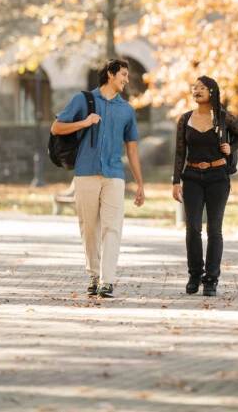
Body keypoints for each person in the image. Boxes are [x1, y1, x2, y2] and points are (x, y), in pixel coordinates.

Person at [51, 59, 145, 298]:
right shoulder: (83, 100)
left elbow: (132, 149)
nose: (126, 79)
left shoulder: (126, 109)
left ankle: (107, 280)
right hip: (85, 172)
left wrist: (140, 184)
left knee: (112, 227)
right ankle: (93, 274)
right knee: (89, 226)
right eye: (123, 74)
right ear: (110, 75)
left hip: (114, 174)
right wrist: (84, 121)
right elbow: (56, 128)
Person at [172, 75, 238, 297]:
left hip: (218, 177)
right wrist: (176, 181)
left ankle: (211, 279)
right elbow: (180, 153)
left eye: (202, 88)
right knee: (193, 228)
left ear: (212, 92)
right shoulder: (185, 119)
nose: (196, 90)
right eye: (194, 87)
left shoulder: (224, 118)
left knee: (214, 230)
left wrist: (230, 148)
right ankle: (195, 274)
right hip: (192, 176)